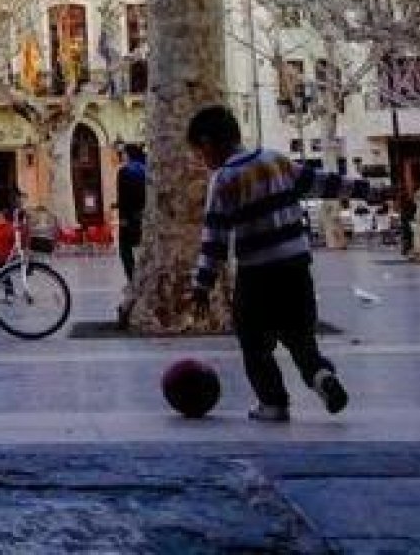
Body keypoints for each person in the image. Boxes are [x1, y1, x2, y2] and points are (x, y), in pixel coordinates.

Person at [186, 104, 349, 424]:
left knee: (254, 342)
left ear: (208, 144)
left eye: (199, 153)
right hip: (296, 268)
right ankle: (319, 376)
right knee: (301, 338)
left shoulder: (223, 180)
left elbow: (214, 239)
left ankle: (273, 403)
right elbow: (323, 182)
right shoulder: (276, 160)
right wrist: (372, 190)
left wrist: (202, 285)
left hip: (256, 274)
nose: (201, 161)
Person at [114, 143, 147, 284]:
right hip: (146, 216)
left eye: (123, 153)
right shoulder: (147, 169)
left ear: (129, 154)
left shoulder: (124, 171)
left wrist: (122, 219)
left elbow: (123, 198)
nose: (121, 156)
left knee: (124, 249)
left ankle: (133, 280)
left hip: (130, 217)